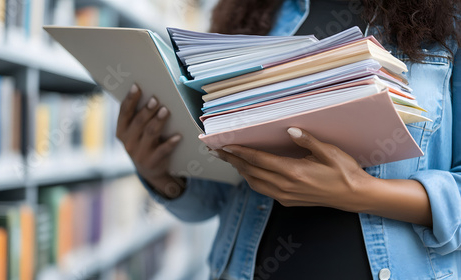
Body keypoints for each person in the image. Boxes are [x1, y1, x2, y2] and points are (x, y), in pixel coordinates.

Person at [115, 0, 461, 279]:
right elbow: (213, 199)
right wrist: (161, 173)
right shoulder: (251, 11)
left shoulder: (449, 18)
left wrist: (359, 192)